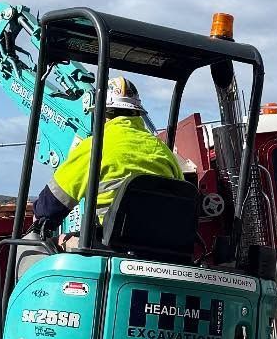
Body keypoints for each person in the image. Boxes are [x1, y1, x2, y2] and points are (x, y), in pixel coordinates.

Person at [31, 75, 184, 239]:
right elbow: (182, 203)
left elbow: (50, 206)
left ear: (102, 113)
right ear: (137, 113)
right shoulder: (164, 152)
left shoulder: (94, 147)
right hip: (162, 248)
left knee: (44, 242)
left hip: (109, 246)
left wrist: (40, 220)